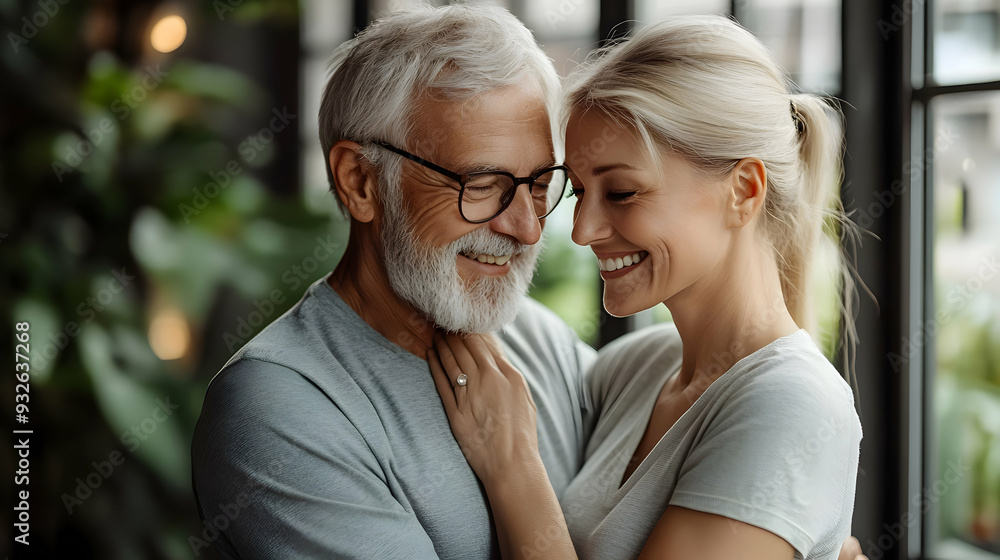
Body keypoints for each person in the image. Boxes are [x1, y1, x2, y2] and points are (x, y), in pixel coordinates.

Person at [429, 15, 865, 560]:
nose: (584, 231)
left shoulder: (795, 405)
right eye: (579, 191)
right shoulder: (639, 366)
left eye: (623, 192)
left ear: (744, 192)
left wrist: (512, 466)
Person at [191, 5, 596, 559]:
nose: (526, 228)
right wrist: (516, 470)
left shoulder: (540, 340)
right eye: (481, 184)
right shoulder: (279, 408)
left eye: (541, 183)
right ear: (361, 182)